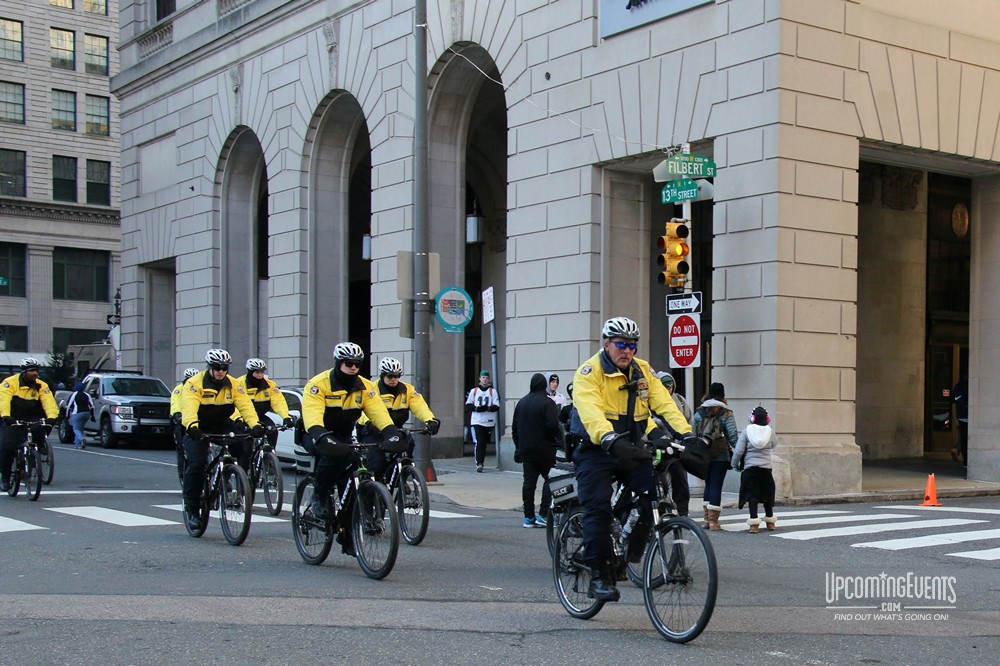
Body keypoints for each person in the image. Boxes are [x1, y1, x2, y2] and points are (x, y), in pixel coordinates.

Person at [572, 316, 693, 602]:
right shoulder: (589, 373)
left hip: (629, 447)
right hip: (595, 447)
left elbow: (664, 404)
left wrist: (687, 435)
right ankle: (599, 576)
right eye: (620, 344)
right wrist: (607, 437)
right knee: (598, 508)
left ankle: (625, 556)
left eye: (632, 345)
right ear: (606, 344)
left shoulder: (643, 371)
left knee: (649, 495)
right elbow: (590, 411)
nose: (627, 351)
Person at [301, 342, 400, 556]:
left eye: (357, 364)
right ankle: (319, 495)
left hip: (344, 435)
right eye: (348, 363)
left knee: (352, 481)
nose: (353, 367)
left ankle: (348, 536)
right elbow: (312, 415)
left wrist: (391, 432)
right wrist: (320, 435)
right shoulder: (318, 384)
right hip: (315, 432)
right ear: (338, 363)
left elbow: (378, 413)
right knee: (332, 458)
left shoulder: (365, 387)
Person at [180, 349, 264, 532]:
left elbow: (246, 406)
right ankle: (192, 508)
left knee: (243, 442)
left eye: (224, 368)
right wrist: (192, 426)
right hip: (197, 426)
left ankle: (231, 472)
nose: (221, 371)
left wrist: (255, 424)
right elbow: (189, 408)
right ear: (210, 367)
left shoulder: (234, 385)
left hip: (221, 424)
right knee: (197, 463)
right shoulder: (194, 384)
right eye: (217, 367)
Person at [356, 356, 440, 481]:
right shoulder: (372, 389)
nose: (393, 380)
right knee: (377, 462)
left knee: (408, 444)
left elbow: (419, 406)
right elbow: (362, 409)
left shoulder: (407, 390)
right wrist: (368, 423)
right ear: (382, 375)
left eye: (396, 376)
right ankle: (375, 488)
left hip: (394, 429)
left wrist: (430, 420)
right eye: (390, 376)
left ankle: (399, 478)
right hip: (372, 429)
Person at [512, 373, 565, 528]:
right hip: (545, 449)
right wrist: (559, 442)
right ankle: (543, 514)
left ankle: (528, 516)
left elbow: (515, 428)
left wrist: (518, 447)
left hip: (526, 450)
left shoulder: (521, 403)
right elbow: (553, 425)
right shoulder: (547, 403)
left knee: (529, 482)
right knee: (550, 480)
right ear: (544, 385)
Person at [0, 358, 60, 493]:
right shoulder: (9, 383)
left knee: (40, 428)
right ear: (24, 372)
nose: (35, 373)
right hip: (12, 416)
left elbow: (49, 402)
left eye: (36, 370)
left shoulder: (41, 385)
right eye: (32, 370)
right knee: (8, 446)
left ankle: (35, 453)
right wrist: (6, 416)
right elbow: (3, 400)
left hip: (32, 415)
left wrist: (52, 417)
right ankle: (5, 476)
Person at [692, 382, 739, 530]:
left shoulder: (699, 412)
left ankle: (706, 519)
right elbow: (732, 436)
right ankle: (714, 521)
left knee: (708, 484)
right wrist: (739, 453)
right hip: (720, 455)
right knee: (716, 486)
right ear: (723, 396)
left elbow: (693, 433)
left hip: (703, 454)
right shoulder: (726, 413)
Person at [233, 358, 295, 459]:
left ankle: (268, 458)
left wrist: (286, 416)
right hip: (243, 418)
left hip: (260, 416)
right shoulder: (239, 384)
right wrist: (238, 419)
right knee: (246, 444)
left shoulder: (269, 384)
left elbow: (278, 401)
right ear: (250, 372)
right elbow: (234, 404)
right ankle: (244, 469)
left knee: (273, 431)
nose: (260, 375)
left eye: (262, 372)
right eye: (257, 372)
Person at [731, 406, 778, 533]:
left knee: (753, 496)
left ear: (752, 418)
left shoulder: (747, 431)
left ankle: (754, 525)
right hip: (766, 469)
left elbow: (739, 450)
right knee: (767, 495)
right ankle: (770, 522)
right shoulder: (770, 432)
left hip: (750, 468)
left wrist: (734, 464)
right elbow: (774, 444)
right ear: (767, 419)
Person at [465, 370, 500, 472]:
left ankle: (481, 461)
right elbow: (468, 405)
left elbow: (496, 406)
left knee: (484, 442)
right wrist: (476, 408)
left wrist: (487, 408)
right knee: (480, 442)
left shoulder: (492, 392)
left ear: (489, 379)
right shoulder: (474, 391)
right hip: (477, 421)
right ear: (480, 379)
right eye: (483, 377)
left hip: (488, 421)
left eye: (486, 378)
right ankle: (479, 463)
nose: (484, 379)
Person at [170, 368, 200, 484]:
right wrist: (177, 414)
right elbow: (175, 403)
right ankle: (183, 476)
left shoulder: (198, 388)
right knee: (182, 448)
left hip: (196, 419)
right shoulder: (179, 389)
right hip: (181, 421)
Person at [66, 381, 94, 450]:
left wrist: (67, 415)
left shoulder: (74, 394)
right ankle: (77, 445)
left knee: (75, 428)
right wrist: (92, 416)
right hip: (86, 413)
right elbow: (92, 406)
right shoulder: (87, 395)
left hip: (77, 413)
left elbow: (69, 405)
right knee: (80, 428)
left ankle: (82, 439)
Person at [951, 375, 968, 468]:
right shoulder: (971, 385)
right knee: (968, 440)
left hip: (961, 416)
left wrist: (955, 418)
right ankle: (957, 448)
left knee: (964, 439)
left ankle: (965, 462)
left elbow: (954, 404)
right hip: (971, 416)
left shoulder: (958, 386)